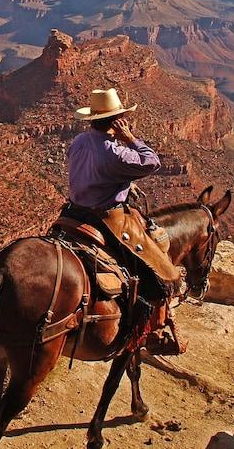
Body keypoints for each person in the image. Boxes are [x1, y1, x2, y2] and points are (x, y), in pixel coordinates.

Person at [66, 88, 185, 355]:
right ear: (118, 120)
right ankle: (153, 330)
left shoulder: (79, 141)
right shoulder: (117, 153)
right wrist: (131, 139)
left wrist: (118, 181)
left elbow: (89, 169)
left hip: (73, 212)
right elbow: (152, 163)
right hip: (109, 218)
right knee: (161, 272)